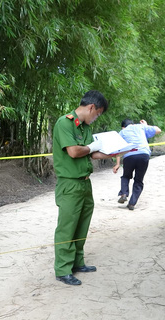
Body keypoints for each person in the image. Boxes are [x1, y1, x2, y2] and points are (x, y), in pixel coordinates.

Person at [52, 90, 111, 286]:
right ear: (92, 107)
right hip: (70, 183)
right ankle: (62, 269)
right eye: (98, 113)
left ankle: (77, 262)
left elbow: (91, 154)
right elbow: (75, 151)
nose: (97, 118)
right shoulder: (65, 123)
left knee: (82, 225)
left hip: (85, 182)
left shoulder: (84, 128)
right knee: (67, 228)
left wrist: (116, 152)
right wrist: (93, 147)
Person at [113, 119, 161, 210]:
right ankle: (132, 204)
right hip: (144, 155)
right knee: (139, 180)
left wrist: (117, 164)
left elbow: (118, 149)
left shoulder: (122, 132)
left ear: (123, 127)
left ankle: (124, 193)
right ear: (133, 124)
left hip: (129, 156)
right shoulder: (141, 127)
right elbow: (158, 130)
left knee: (126, 176)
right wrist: (146, 125)